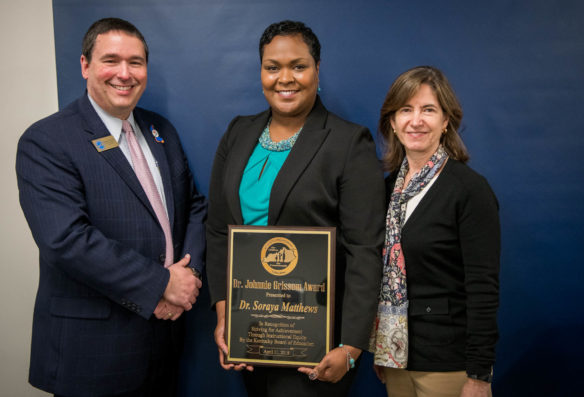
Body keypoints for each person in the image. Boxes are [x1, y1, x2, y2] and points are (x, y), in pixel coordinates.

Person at [16, 18, 206, 397]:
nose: (125, 73)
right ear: (85, 66)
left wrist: (188, 278)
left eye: (136, 62)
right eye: (111, 60)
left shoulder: (160, 130)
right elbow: (66, 239)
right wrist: (161, 285)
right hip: (94, 351)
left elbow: (195, 207)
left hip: (164, 342)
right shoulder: (47, 140)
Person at [206, 20, 385, 397]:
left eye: (298, 66)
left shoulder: (349, 142)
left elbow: (365, 250)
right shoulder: (238, 132)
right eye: (272, 67)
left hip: (316, 344)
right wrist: (225, 314)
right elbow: (220, 230)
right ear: (261, 72)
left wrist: (351, 348)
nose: (284, 78)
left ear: (317, 70)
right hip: (250, 335)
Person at [369, 66, 500, 397]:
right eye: (405, 110)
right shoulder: (385, 192)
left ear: (446, 122)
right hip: (396, 362)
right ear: (392, 124)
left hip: (449, 365)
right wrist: (384, 343)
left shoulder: (469, 190)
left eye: (428, 110)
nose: (416, 120)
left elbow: (483, 288)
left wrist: (479, 374)